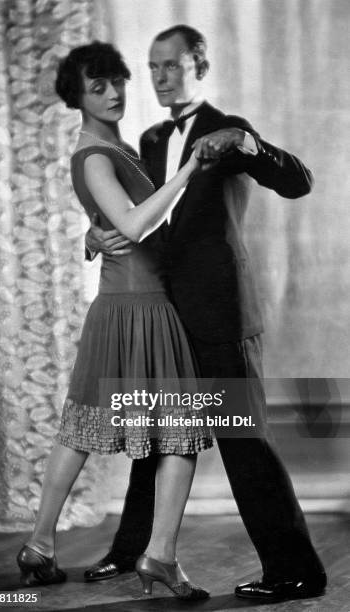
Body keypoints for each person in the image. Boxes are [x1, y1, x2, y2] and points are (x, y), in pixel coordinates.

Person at [84, 25, 327, 603]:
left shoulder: (229, 129)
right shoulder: (145, 138)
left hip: (219, 314)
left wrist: (246, 143)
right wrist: (97, 234)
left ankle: (297, 571)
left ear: (200, 65)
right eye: (154, 68)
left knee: (245, 443)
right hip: (160, 314)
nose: (162, 77)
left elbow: (299, 182)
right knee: (155, 435)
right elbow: (137, 218)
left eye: (172, 65)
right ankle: (130, 555)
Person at [16, 40, 214, 601]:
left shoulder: (112, 146)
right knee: (174, 435)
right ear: (75, 96)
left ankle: (41, 544)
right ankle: (160, 556)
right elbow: (131, 227)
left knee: (83, 428)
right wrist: (191, 169)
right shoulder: (96, 153)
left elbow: (112, 223)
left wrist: (91, 233)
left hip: (132, 303)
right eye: (97, 85)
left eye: (117, 80)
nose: (114, 93)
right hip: (138, 308)